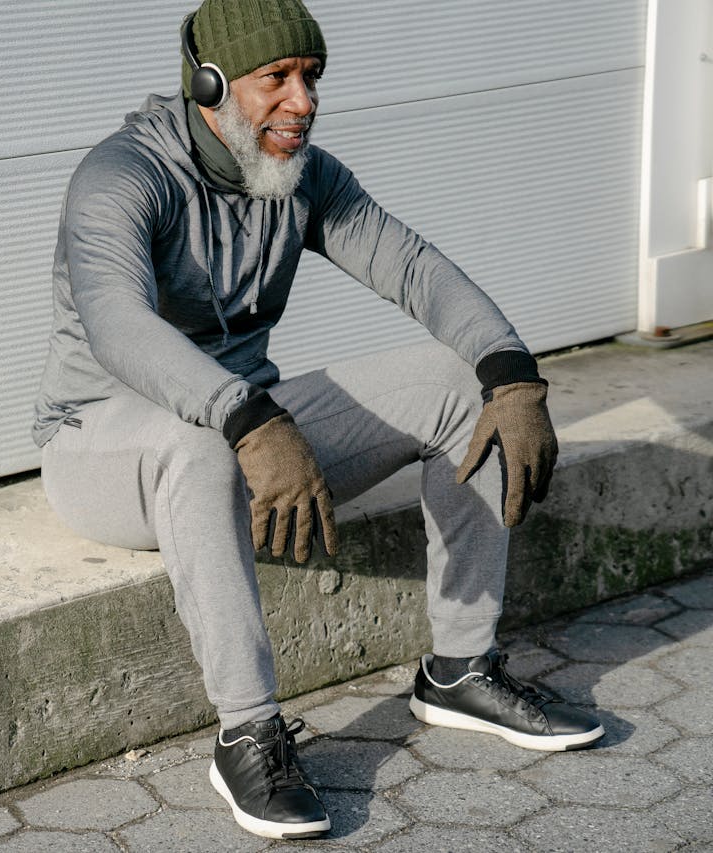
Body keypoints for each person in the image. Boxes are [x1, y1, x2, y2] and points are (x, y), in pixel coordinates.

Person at [31, 0, 604, 840]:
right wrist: (249, 418)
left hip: (248, 429)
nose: (303, 102)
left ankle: (459, 668)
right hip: (104, 447)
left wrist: (512, 370)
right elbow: (120, 324)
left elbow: (413, 267)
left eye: (311, 77)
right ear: (209, 84)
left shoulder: (302, 175)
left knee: (460, 384)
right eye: (277, 78)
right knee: (200, 441)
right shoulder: (121, 177)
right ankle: (247, 731)